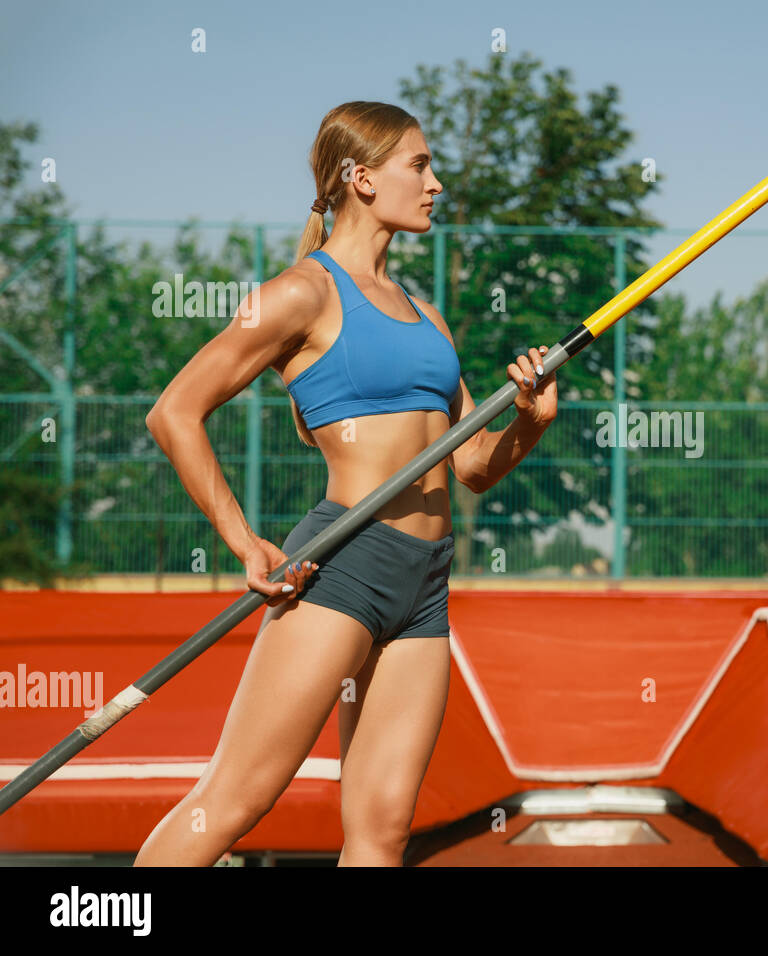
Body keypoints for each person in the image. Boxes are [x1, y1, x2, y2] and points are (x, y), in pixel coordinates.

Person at [135, 101, 556, 866]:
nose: (436, 184)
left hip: (426, 582)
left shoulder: (428, 319)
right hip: (342, 566)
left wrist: (530, 420)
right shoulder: (303, 293)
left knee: (381, 832)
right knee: (233, 802)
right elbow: (175, 413)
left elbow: (471, 466)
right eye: (419, 166)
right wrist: (243, 541)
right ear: (360, 178)